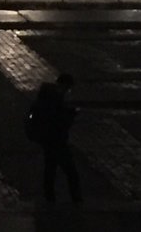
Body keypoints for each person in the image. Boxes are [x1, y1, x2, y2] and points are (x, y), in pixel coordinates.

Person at [31, 72, 82, 204]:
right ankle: (76, 200)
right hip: (56, 140)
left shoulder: (46, 97)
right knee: (71, 173)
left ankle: (50, 199)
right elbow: (59, 122)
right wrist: (71, 116)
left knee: (50, 170)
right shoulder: (55, 100)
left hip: (47, 139)